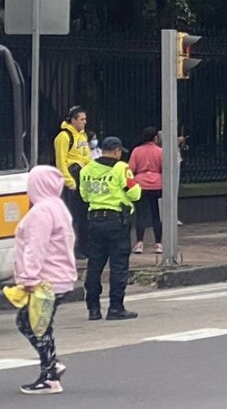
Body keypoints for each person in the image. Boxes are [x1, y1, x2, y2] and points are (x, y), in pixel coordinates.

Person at [10, 166, 78, 395]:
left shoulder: (41, 212)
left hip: (45, 281)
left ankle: (50, 375)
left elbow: (35, 247)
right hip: (59, 278)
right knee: (40, 325)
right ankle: (51, 367)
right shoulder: (58, 207)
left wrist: (29, 277)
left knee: (29, 323)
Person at [79, 136, 142, 320]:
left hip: (94, 222)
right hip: (116, 222)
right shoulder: (120, 168)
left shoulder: (87, 169)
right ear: (116, 151)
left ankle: (93, 308)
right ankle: (115, 307)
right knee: (118, 265)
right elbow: (134, 193)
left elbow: (84, 195)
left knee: (95, 265)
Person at [53, 105, 91, 257]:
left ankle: (83, 247)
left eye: (85, 119)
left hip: (83, 177)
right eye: (81, 119)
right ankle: (69, 248)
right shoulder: (64, 137)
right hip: (72, 177)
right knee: (71, 216)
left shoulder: (83, 136)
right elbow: (61, 161)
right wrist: (69, 181)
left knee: (83, 215)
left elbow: (86, 156)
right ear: (73, 120)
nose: (84, 122)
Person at [127, 127, 164, 256]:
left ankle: (139, 243)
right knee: (156, 215)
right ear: (155, 138)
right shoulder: (160, 151)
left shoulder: (136, 151)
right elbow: (163, 168)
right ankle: (158, 244)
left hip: (140, 185)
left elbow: (130, 168)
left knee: (141, 215)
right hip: (157, 185)